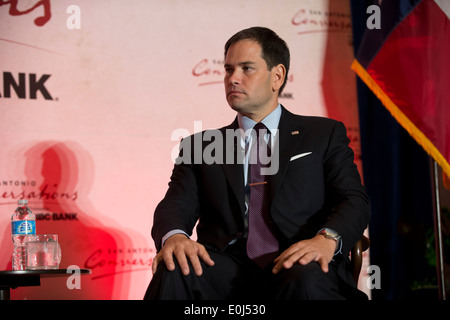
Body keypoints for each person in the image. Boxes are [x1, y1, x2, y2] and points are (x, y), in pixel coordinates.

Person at [144, 27, 370, 300]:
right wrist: (175, 236)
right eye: (228, 69)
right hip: (225, 264)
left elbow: (353, 200)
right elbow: (176, 203)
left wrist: (326, 239)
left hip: (299, 257)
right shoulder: (200, 146)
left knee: (306, 278)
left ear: (277, 76)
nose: (233, 79)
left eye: (246, 69)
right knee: (175, 269)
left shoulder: (322, 134)